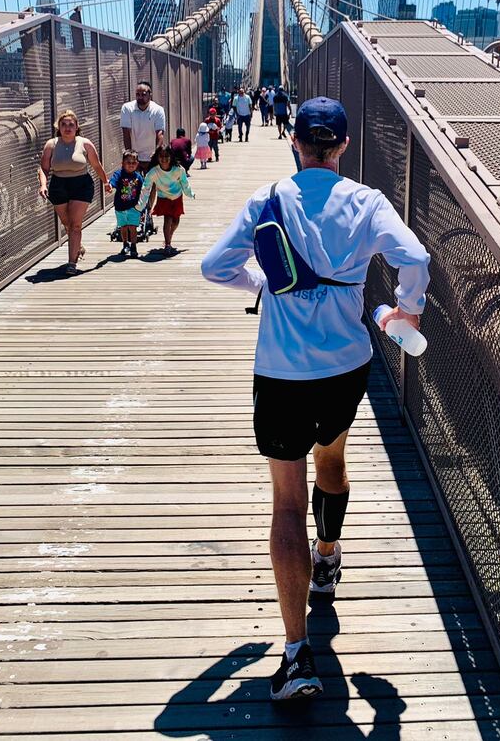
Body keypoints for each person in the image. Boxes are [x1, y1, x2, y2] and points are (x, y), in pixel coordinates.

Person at [201, 97, 431, 702]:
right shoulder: (367, 201)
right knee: (332, 459)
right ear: (344, 145)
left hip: (281, 371)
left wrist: (262, 283)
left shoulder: (268, 198)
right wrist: (407, 309)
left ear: (295, 141)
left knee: (285, 501)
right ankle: (327, 557)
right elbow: (417, 257)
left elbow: (212, 265)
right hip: (346, 367)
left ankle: (297, 653)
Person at [38, 109, 109, 276]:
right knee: (67, 224)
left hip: (81, 184)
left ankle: (72, 263)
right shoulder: (51, 144)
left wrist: (106, 182)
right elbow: (44, 168)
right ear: (58, 127)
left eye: (71, 124)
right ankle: (77, 246)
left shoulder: (85, 144)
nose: (67, 128)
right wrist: (43, 185)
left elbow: (96, 165)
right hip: (59, 185)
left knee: (75, 224)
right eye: (64, 125)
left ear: (77, 127)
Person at [137, 145, 194, 257]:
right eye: (161, 156)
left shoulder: (178, 169)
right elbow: (146, 187)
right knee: (167, 219)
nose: (164, 159)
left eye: (166, 156)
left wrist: (190, 193)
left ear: (171, 157)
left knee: (176, 221)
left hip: (176, 196)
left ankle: (170, 235)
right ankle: (168, 245)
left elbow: (184, 183)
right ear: (157, 158)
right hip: (163, 197)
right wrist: (141, 204)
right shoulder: (154, 171)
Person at [120, 81, 166, 175]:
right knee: (132, 186)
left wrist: (156, 153)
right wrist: (129, 153)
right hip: (134, 156)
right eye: (138, 94)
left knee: (152, 184)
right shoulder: (127, 108)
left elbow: (160, 134)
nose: (140, 97)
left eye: (143, 94)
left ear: (150, 95)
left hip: (151, 156)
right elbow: (126, 132)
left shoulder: (158, 110)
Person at [107, 149, 145, 258]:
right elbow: (113, 181)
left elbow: (144, 190)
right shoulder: (119, 174)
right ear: (123, 164)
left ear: (137, 164)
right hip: (120, 206)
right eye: (128, 162)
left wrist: (143, 205)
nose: (131, 165)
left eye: (134, 163)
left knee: (133, 227)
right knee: (123, 227)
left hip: (134, 207)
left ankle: (133, 246)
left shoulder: (138, 177)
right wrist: (110, 186)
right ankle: (125, 244)